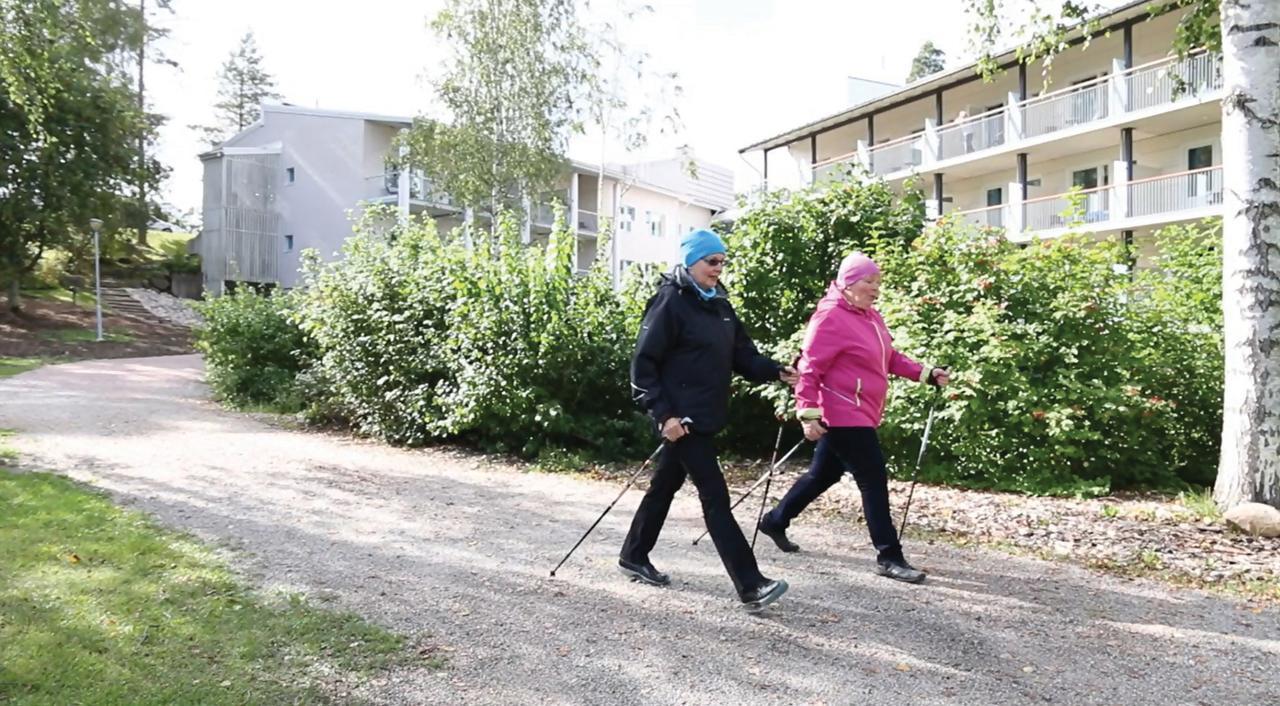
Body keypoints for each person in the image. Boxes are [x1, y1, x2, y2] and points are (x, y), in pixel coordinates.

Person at [621, 228, 798, 611]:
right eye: (711, 261)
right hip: (680, 419)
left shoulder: (719, 305)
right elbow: (643, 364)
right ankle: (750, 585)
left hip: (705, 414)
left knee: (664, 485)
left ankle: (633, 554)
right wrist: (662, 414)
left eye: (722, 261)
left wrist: (775, 371)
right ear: (691, 261)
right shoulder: (670, 301)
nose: (719, 268)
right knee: (716, 496)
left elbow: (743, 356)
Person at [756, 252, 950, 584]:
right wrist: (808, 413)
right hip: (842, 411)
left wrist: (926, 374)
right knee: (873, 479)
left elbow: (890, 358)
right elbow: (810, 369)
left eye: (878, 282)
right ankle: (889, 556)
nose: (876, 288)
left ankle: (775, 520)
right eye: (870, 281)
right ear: (849, 283)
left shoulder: (871, 317)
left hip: (861, 411)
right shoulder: (830, 317)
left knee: (822, 475)